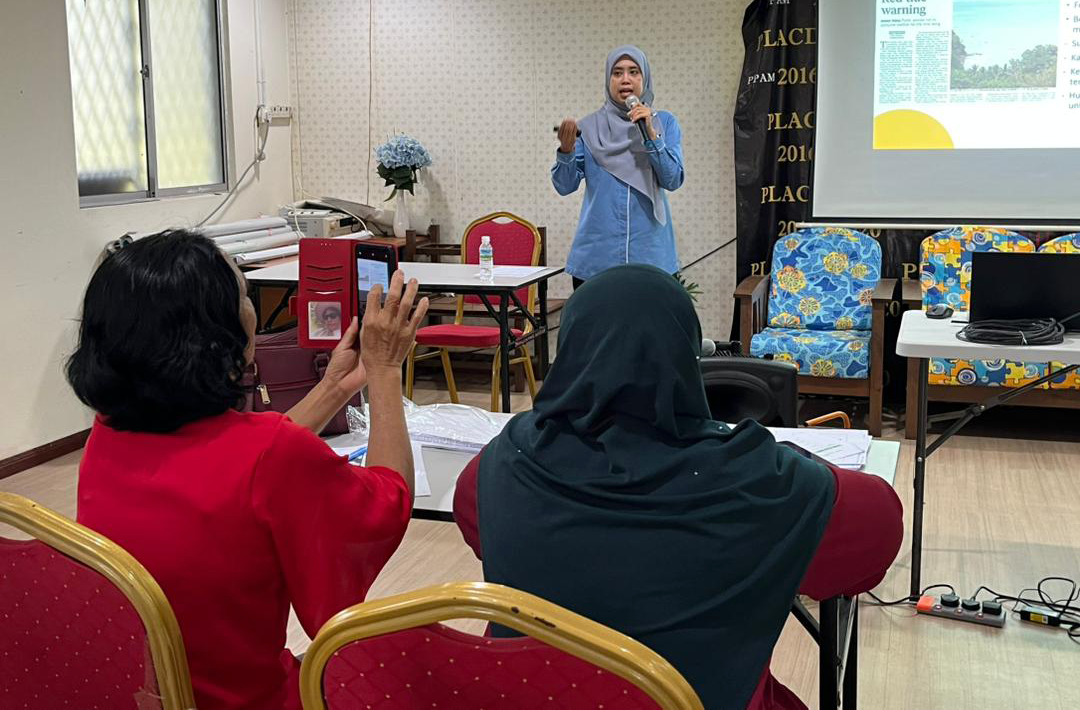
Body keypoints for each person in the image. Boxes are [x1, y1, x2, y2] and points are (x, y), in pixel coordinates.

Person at [452, 265, 903, 710]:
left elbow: (480, 532)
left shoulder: (503, 460)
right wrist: (788, 461)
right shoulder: (762, 480)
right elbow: (873, 541)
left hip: (534, 695)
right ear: (689, 359)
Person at [66, 230, 429, 710]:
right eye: (244, 294)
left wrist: (334, 389)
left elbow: (239, 464)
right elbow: (387, 501)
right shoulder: (273, 454)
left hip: (139, 694)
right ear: (216, 335)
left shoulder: (106, 435)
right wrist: (384, 371)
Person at [554, 45, 684, 289]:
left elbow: (673, 179)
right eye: (617, 72)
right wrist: (567, 150)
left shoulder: (664, 123)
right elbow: (564, 186)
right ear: (608, 79)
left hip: (651, 254)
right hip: (597, 258)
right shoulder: (588, 128)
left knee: (653, 316)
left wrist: (651, 134)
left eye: (634, 72)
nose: (625, 79)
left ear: (644, 78)